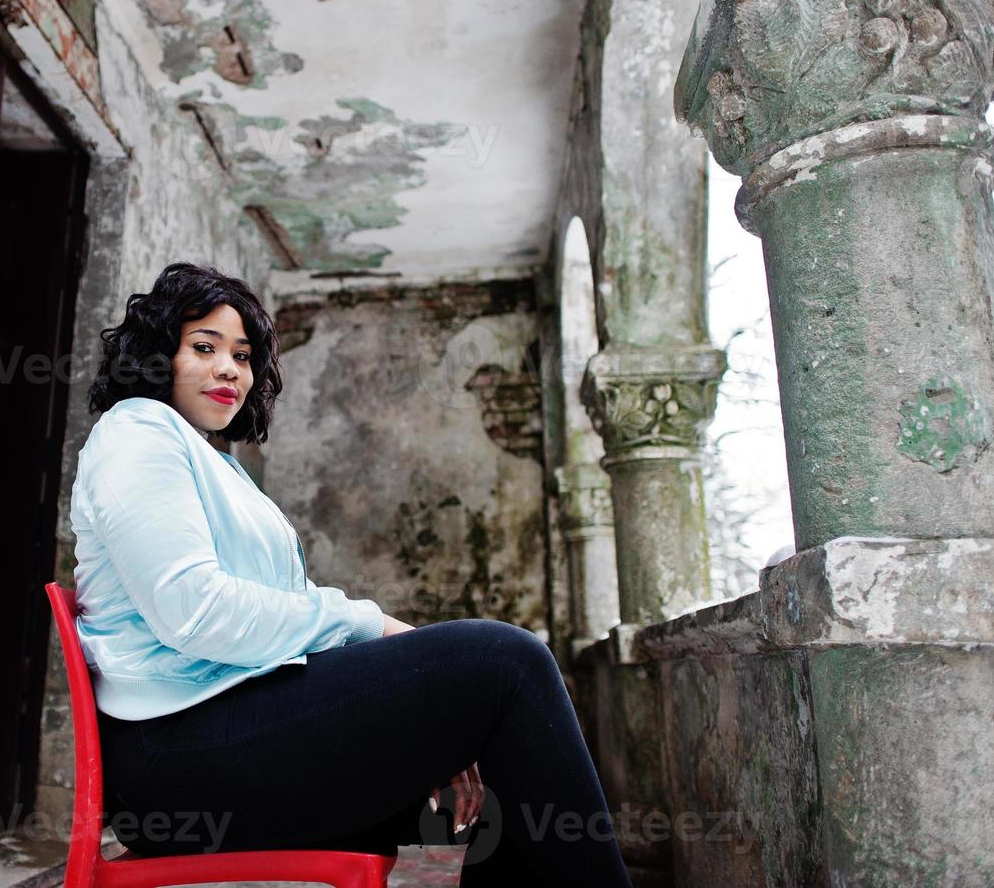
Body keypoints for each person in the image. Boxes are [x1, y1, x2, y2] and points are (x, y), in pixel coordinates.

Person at [69, 261, 633, 886]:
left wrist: (439, 716)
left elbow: (284, 602)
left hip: (221, 726)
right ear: (156, 354)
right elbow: (194, 610)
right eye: (204, 347)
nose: (230, 368)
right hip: (174, 762)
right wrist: (375, 625)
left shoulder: (211, 462)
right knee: (506, 662)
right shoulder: (137, 434)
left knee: (509, 763)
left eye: (243, 355)